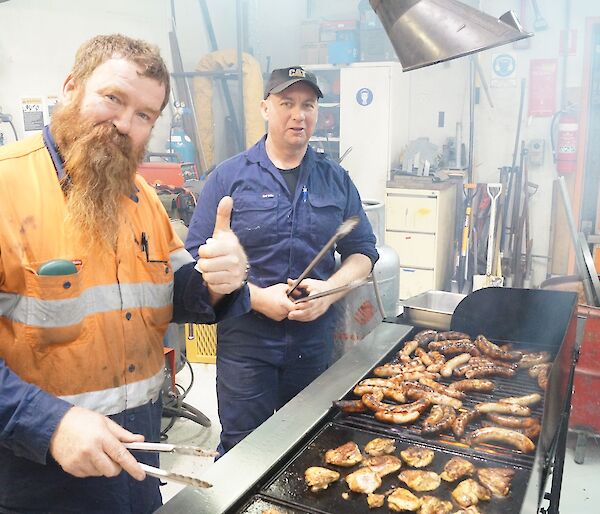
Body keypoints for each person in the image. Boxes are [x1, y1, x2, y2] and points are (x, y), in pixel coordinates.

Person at [0, 34, 249, 513]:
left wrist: (222, 279)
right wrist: (47, 423)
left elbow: (182, 293)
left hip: (136, 464)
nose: (123, 125)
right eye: (113, 98)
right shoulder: (8, 187)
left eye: (144, 116)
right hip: (39, 479)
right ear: (71, 88)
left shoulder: (141, 197)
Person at [186, 66, 378, 455]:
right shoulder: (228, 178)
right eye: (286, 103)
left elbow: (363, 253)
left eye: (308, 105)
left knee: (311, 446)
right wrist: (256, 297)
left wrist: (330, 289)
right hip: (246, 344)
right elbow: (194, 261)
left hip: (314, 343)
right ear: (265, 108)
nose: (298, 115)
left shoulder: (335, 179)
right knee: (243, 452)